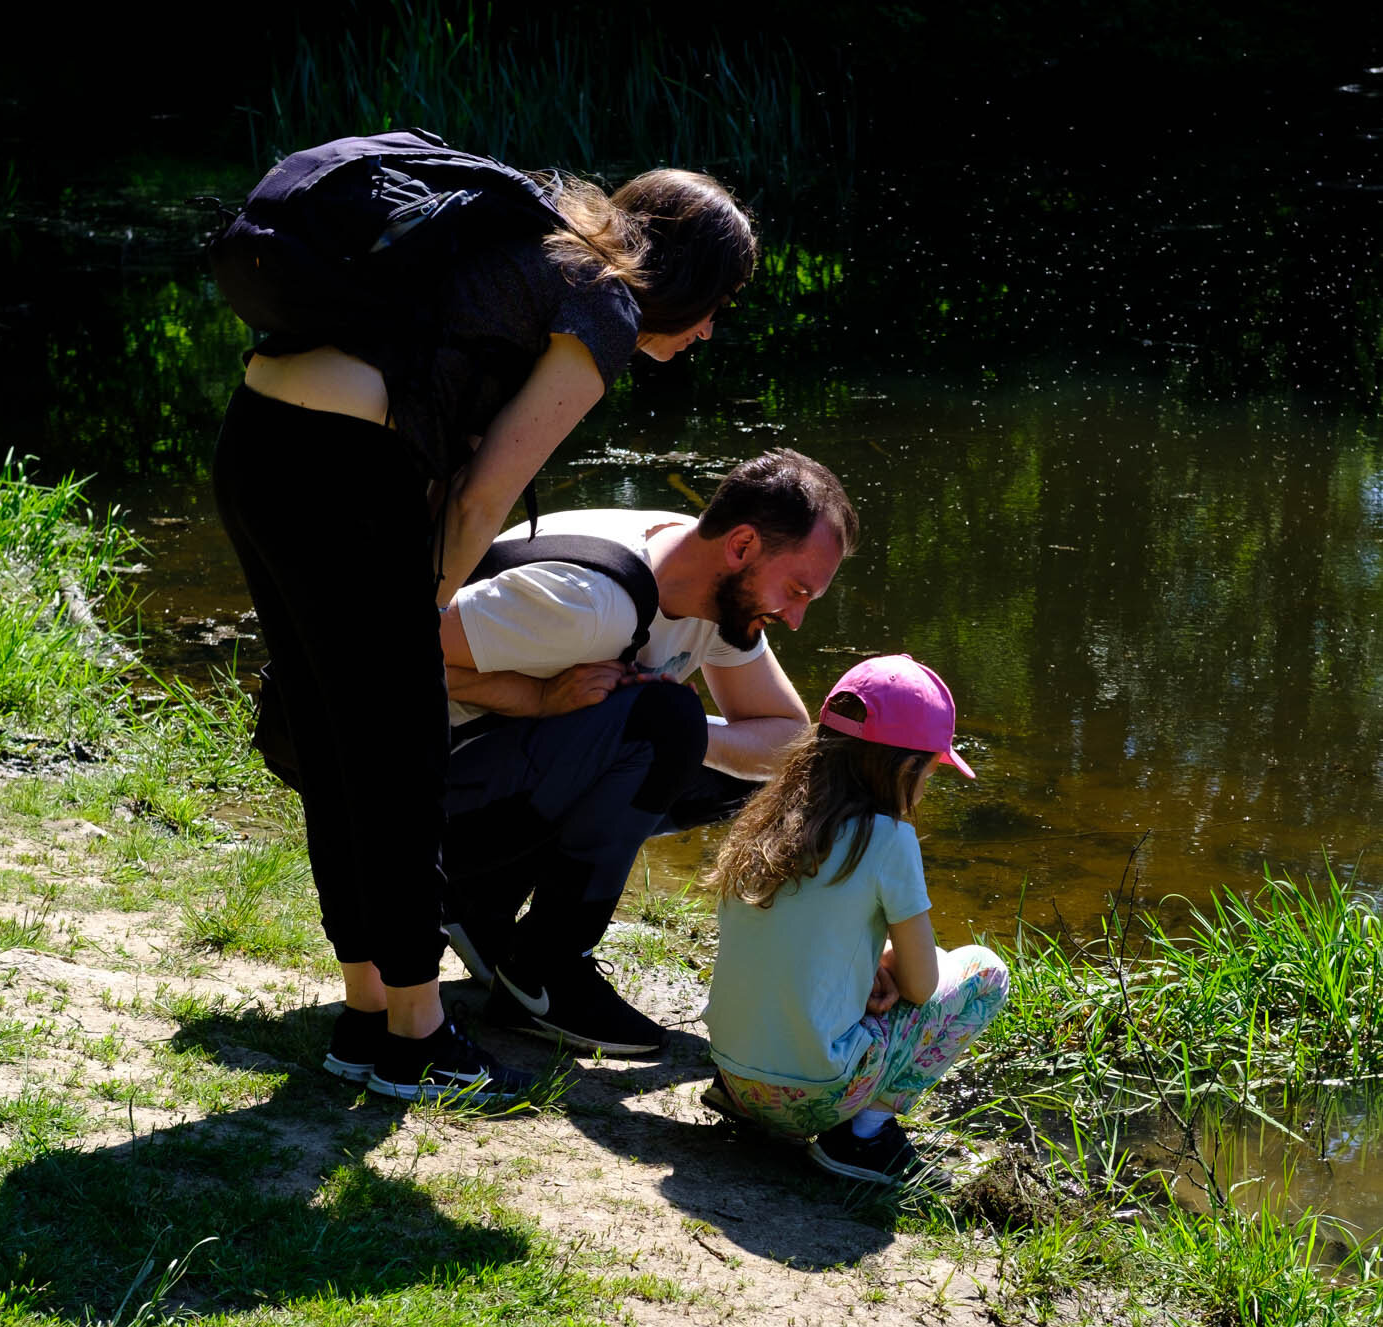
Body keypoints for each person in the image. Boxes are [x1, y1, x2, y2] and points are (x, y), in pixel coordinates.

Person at [211, 137, 757, 1106]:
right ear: (687, 279)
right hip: (340, 468)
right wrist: (419, 619)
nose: (712, 329)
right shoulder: (605, 305)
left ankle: (369, 1011)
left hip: (258, 444)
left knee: (346, 750)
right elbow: (478, 503)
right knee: (399, 753)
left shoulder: (544, 241)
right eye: (719, 303)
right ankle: (417, 1035)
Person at [438, 449, 859, 1056]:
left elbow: (787, 742)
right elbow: (376, 652)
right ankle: (544, 966)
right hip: (423, 798)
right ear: (741, 546)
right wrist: (533, 697)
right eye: (795, 591)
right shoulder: (589, 605)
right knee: (664, 724)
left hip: (513, 774)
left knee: (737, 765)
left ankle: (481, 907)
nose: (794, 619)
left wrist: (687, 736)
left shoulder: (706, 579)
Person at [702, 655, 1009, 1188]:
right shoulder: (888, 840)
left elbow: (798, 942)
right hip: (813, 1098)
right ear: (905, 768)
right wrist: (894, 963)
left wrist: (866, 968)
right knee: (983, 970)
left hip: (735, 1077)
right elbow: (921, 986)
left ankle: (760, 1101)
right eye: (932, 771)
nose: (927, 787)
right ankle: (863, 1135)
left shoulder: (766, 819)